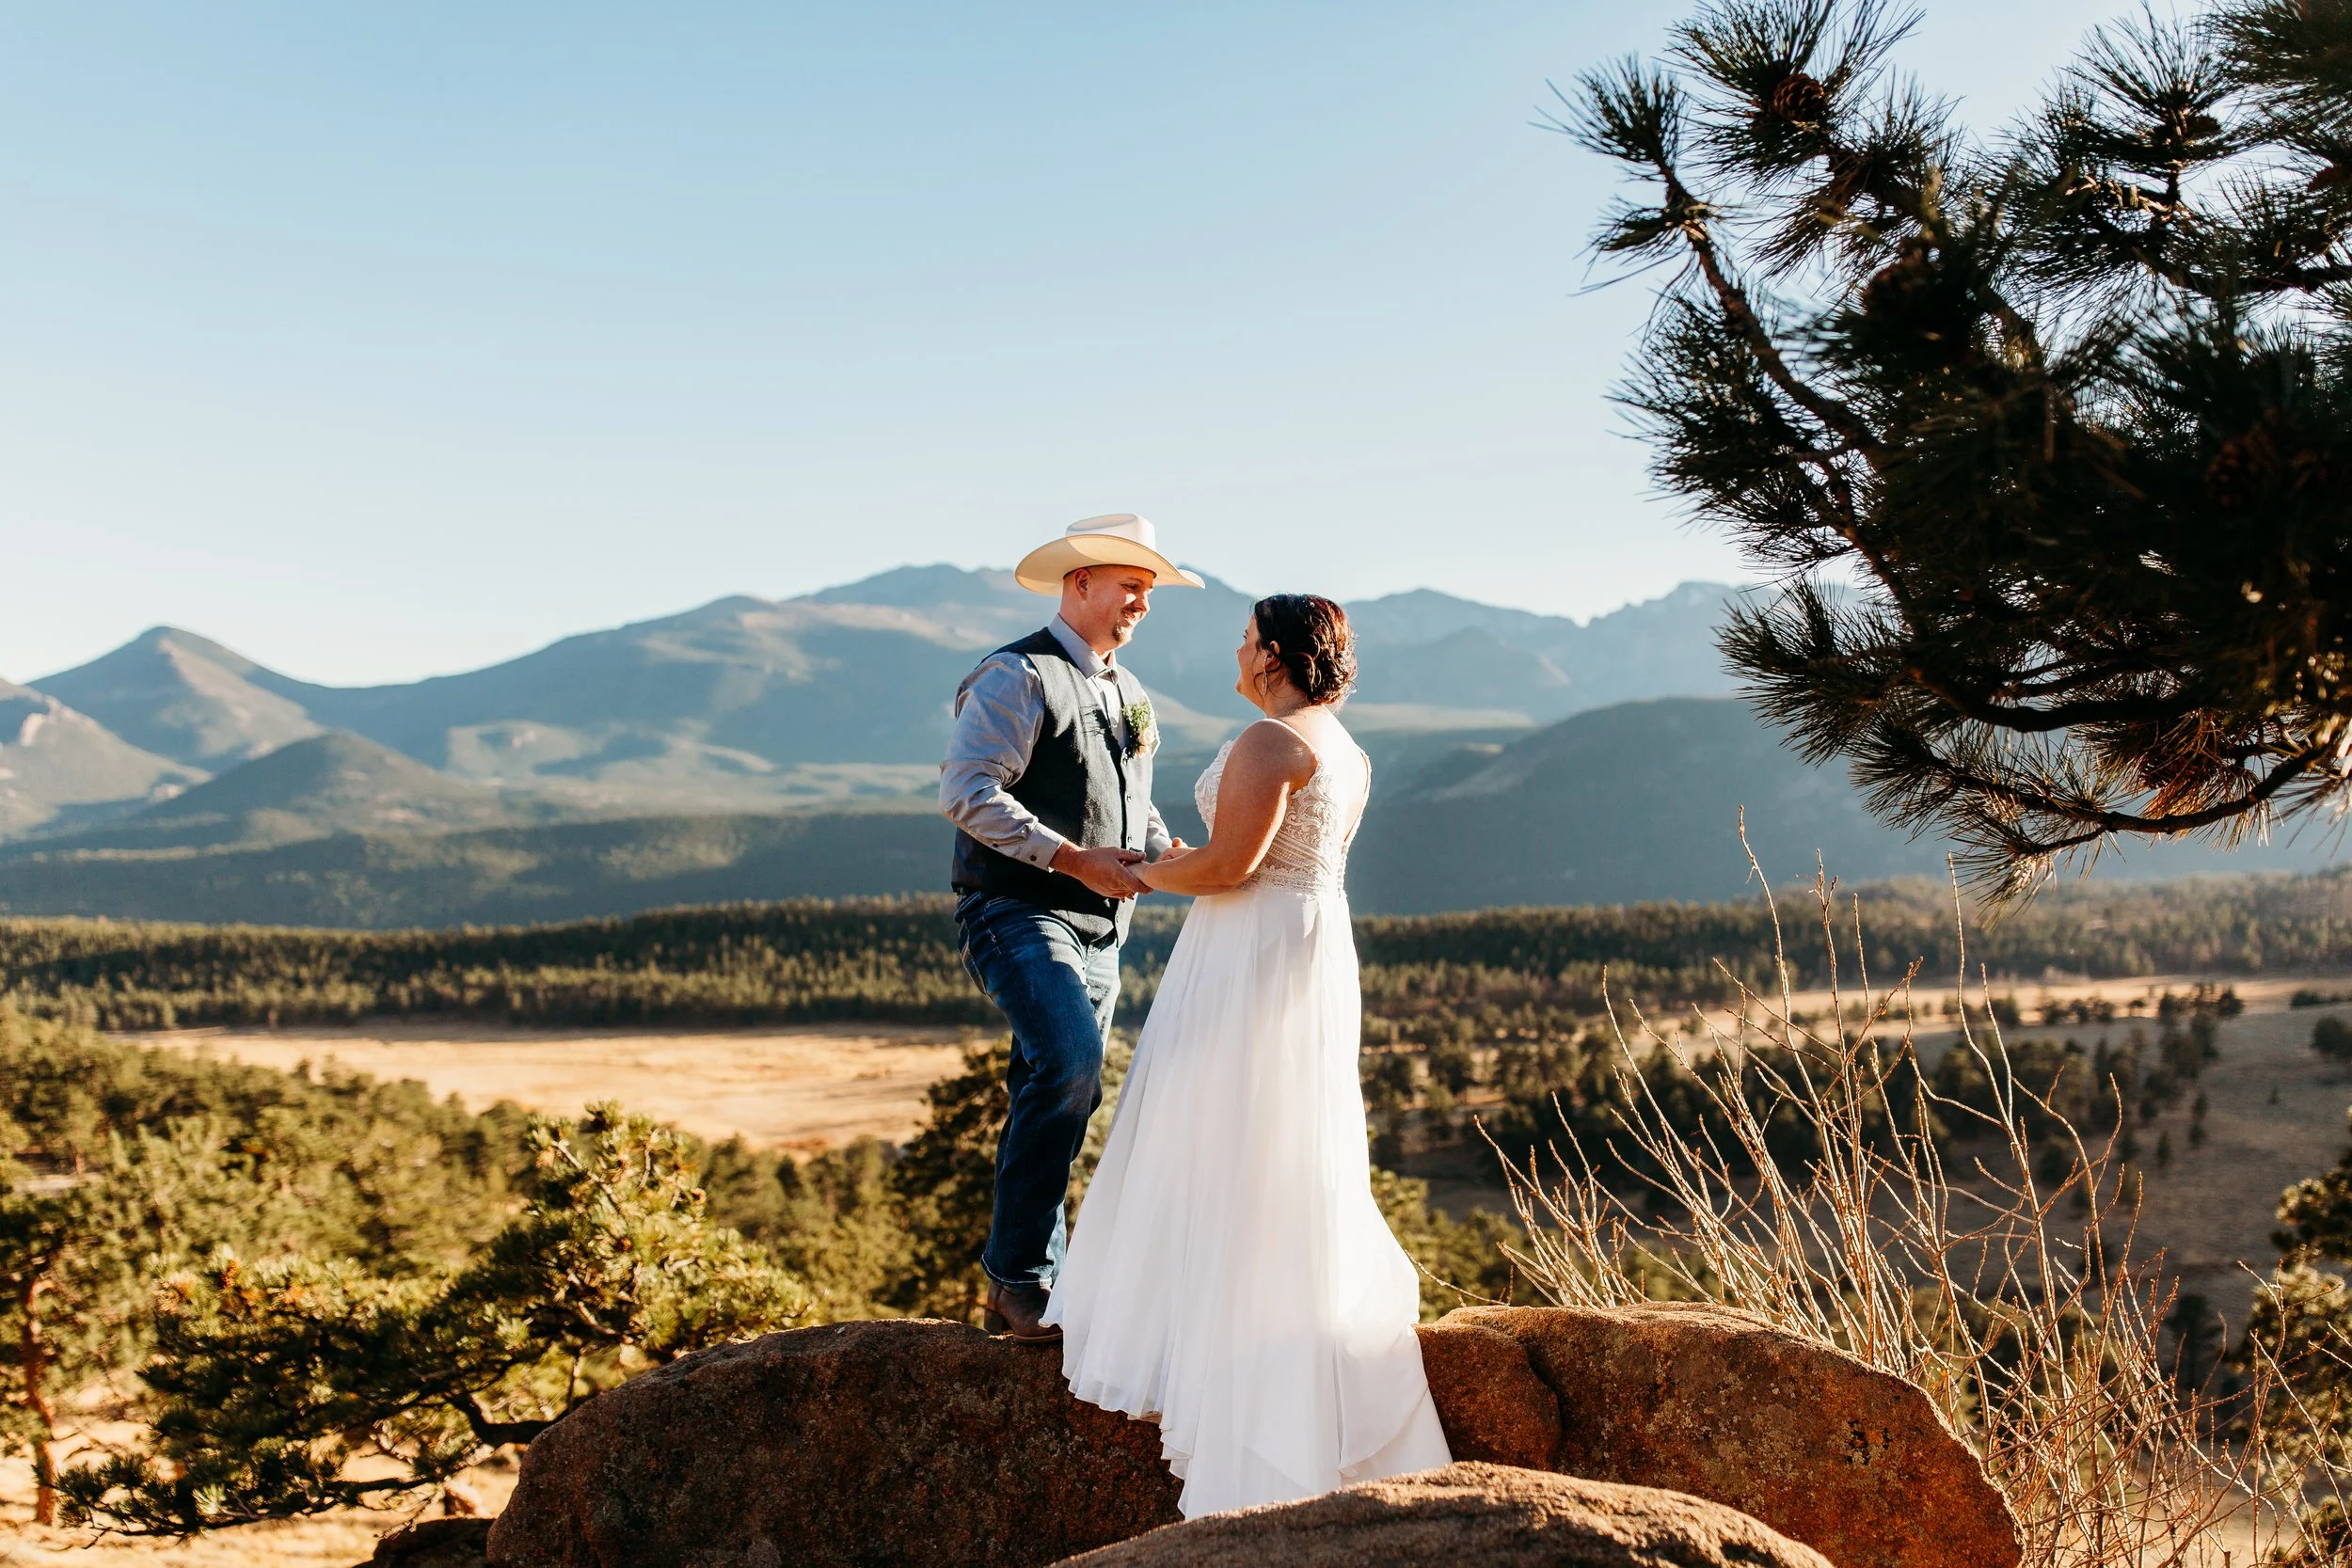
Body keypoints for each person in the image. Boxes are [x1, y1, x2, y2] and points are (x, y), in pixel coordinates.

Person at [1044, 593, 1452, 1518]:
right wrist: (1192, 861)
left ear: (1270, 653)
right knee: (1276, 1140)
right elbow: (1262, 856)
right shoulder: (1342, 744)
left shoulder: (1271, 741)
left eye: (1243, 638)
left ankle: (1237, 1387)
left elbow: (1230, 865)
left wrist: (1139, 869)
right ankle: (1255, 1346)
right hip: (1301, 941)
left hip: (1252, 947)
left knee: (1227, 1130)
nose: (1235, 651)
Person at [938, 513, 1202, 1342]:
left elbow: (1131, 800)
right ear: (1080, 581)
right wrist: (1070, 858)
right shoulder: (1017, 674)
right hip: (1015, 909)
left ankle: (1032, 1281)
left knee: (1065, 1087)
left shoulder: (1130, 691)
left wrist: (1178, 858)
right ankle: (1020, 1277)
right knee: (1071, 1062)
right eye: (1132, 586)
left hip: (1105, 927)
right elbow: (969, 790)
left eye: (1149, 591)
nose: (1142, 605)